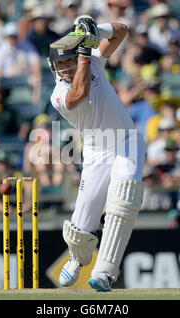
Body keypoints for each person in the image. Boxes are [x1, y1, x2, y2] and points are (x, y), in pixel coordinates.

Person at [49, 16, 145, 292]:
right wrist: (83, 54)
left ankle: (104, 272)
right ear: (54, 67)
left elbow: (122, 31)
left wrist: (94, 28)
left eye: (69, 62)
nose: (66, 68)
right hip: (96, 150)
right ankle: (77, 259)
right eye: (61, 64)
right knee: (82, 223)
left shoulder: (92, 58)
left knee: (122, 199)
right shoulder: (58, 95)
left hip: (127, 139)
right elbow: (79, 93)